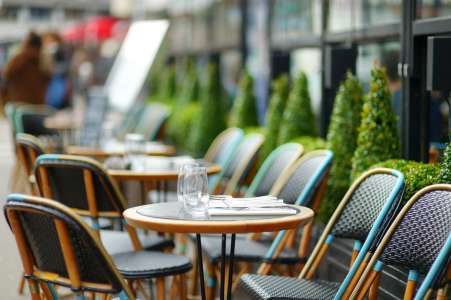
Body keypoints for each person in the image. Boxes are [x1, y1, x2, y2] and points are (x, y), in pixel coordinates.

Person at [1, 32, 50, 107]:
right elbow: (6, 76)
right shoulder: (19, 60)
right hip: (20, 105)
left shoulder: (41, 61)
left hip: (36, 106)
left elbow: (47, 79)